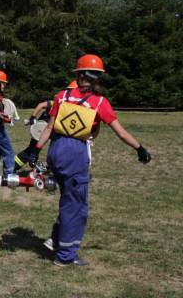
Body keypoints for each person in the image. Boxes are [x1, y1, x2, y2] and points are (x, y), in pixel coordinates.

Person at [30, 54, 151, 267]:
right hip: (74, 155)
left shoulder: (62, 96)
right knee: (75, 205)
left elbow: (49, 127)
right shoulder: (99, 102)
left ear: (78, 74)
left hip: (55, 151)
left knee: (68, 199)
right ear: (96, 78)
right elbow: (121, 133)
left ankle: (56, 240)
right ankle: (65, 256)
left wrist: (35, 150)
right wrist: (139, 148)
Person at [14, 80, 78, 171]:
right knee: (32, 150)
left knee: (49, 150)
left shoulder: (68, 104)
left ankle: (40, 166)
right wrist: (32, 117)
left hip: (51, 129)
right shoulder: (57, 101)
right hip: (42, 129)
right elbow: (40, 105)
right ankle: (14, 166)